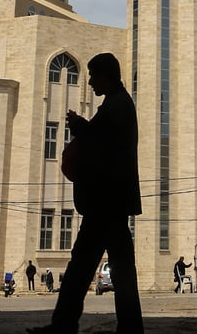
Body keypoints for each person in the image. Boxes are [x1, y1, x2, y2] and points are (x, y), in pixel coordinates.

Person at [28, 53, 143, 334]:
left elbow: (105, 148)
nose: (89, 81)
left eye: (93, 75)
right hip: (110, 203)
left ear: (107, 75)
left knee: (82, 269)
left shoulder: (117, 106)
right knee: (113, 271)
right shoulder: (116, 104)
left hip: (106, 203)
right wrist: (85, 128)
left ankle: (64, 325)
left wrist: (81, 128)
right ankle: (126, 327)